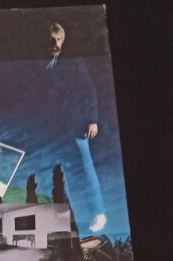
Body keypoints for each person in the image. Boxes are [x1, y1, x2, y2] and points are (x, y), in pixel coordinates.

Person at [41, 22, 107, 233]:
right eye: (52, 39)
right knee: (57, 172)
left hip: (75, 125)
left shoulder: (74, 62)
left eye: (58, 39)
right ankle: (61, 216)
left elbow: (88, 89)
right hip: (52, 129)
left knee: (85, 166)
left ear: (63, 40)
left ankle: (99, 213)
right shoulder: (41, 64)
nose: (55, 43)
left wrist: (92, 119)